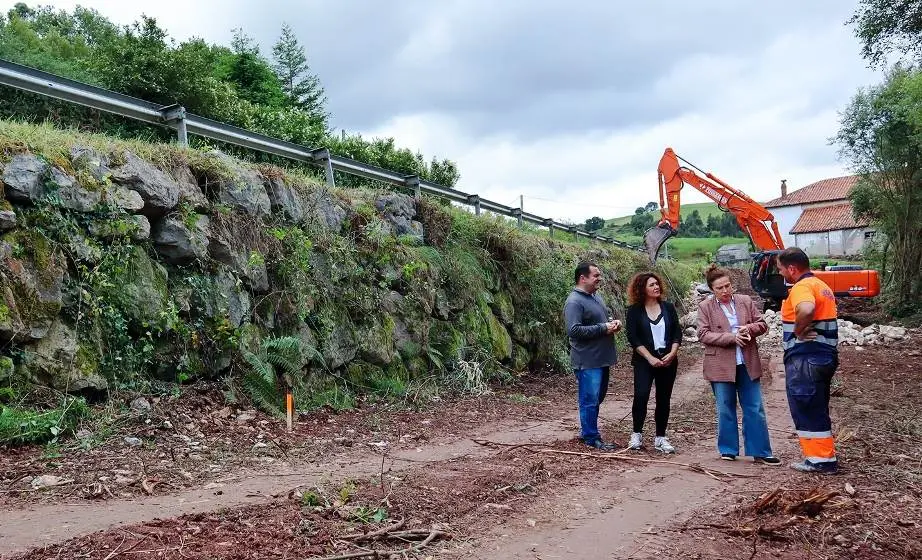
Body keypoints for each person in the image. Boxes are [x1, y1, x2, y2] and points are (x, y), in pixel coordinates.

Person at [697, 264, 781, 465]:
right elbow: (703, 334)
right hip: (720, 364)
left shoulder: (745, 301)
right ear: (712, 290)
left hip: (746, 361)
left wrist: (748, 329)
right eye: (720, 288)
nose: (725, 291)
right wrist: (731, 337)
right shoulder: (705, 307)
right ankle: (728, 449)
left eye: (727, 286)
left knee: (754, 407)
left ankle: (761, 451)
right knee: (725, 407)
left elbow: (762, 324)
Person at [776, 247, 840, 473]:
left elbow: (806, 308)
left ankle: (820, 460)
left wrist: (798, 330)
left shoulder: (802, 287)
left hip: (806, 359)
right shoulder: (822, 286)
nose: (780, 273)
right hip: (823, 357)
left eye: (781, 268)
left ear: (792, 268)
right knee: (816, 406)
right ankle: (822, 456)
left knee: (806, 405)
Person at [564, 261, 622, 450]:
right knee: (589, 399)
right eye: (596, 275)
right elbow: (573, 330)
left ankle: (588, 431)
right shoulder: (574, 301)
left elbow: (600, 323)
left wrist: (612, 324)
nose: (599, 279)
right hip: (587, 361)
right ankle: (591, 437)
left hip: (601, 359)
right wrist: (603, 328)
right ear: (583, 278)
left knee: (596, 398)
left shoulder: (595, 297)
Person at [625, 272, 682, 453]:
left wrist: (672, 353)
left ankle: (660, 437)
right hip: (644, 361)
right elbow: (633, 338)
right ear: (642, 288)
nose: (656, 287)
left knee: (663, 399)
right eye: (651, 285)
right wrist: (649, 358)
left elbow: (676, 333)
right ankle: (636, 434)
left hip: (668, 360)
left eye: (657, 284)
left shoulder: (668, 307)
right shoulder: (634, 311)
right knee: (641, 395)